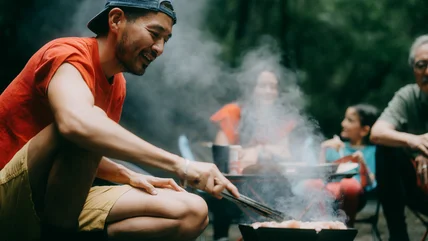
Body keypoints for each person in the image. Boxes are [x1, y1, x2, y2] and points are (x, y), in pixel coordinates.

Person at [0, 1, 239, 241]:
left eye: (166, 40)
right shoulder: (67, 54)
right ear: (115, 20)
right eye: (155, 34)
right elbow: (76, 126)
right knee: (91, 124)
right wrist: (182, 165)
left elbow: (74, 154)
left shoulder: (117, 86)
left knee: (192, 211)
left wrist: (126, 174)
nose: (159, 48)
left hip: (52, 204)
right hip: (8, 197)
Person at [209, 69, 295, 241]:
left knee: (285, 189)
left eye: (273, 87)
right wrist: (258, 151)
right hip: (236, 187)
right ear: (252, 88)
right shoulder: (233, 112)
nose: (269, 91)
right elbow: (221, 154)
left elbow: (286, 154)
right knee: (221, 188)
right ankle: (222, 237)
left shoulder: (280, 119)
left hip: (272, 184)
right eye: (263, 86)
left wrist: (259, 151)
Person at [370, 35, 428, 241]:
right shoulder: (408, 96)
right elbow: (377, 132)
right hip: (418, 189)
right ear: (414, 69)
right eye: (422, 65)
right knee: (385, 147)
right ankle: (398, 236)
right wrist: (414, 142)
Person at [318, 104, 379, 227]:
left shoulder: (372, 152)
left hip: (355, 196)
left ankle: (344, 229)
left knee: (349, 185)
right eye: (345, 119)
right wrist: (323, 148)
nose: (343, 124)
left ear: (364, 130)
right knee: (314, 185)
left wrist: (362, 162)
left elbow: (370, 183)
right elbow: (320, 174)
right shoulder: (335, 147)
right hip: (328, 196)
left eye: (350, 120)